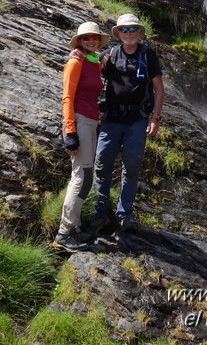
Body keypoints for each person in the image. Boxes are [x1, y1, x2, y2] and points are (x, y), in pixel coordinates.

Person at [88, 13, 164, 234]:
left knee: (131, 167)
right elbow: (89, 65)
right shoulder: (109, 55)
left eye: (133, 30)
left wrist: (155, 118)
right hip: (111, 119)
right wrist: (78, 54)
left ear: (139, 32)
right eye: (124, 30)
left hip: (137, 121)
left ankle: (124, 215)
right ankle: (100, 212)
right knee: (102, 164)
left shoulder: (148, 55)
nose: (129, 34)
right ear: (118, 33)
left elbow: (159, 88)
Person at [53, 21, 109, 252]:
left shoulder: (92, 62)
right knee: (82, 176)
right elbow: (67, 97)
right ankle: (64, 233)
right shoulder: (75, 61)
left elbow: (96, 77)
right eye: (86, 38)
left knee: (84, 175)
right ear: (79, 41)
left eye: (94, 38)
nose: (91, 41)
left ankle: (72, 227)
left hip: (91, 121)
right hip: (79, 121)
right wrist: (71, 133)